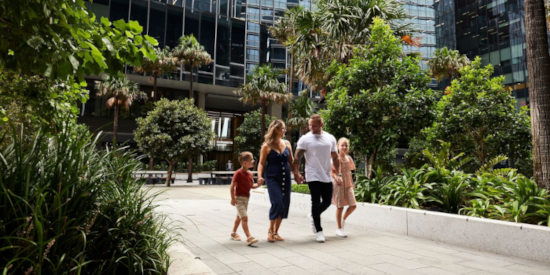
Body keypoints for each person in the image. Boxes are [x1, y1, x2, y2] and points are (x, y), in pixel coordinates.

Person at [293, 114, 342, 243]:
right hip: (312, 174)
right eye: (310, 125)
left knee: (326, 202)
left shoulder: (330, 138)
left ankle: (313, 215)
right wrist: (296, 173)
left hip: (326, 174)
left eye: (314, 125)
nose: (311, 127)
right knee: (315, 201)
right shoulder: (305, 139)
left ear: (321, 124)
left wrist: (339, 174)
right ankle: (319, 231)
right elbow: (297, 157)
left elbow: (335, 157)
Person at [257, 120, 295, 242]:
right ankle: (270, 231)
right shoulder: (266, 146)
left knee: (284, 204)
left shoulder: (287, 143)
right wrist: (259, 176)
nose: (285, 131)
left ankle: (276, 232)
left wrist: (297, 174)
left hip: (286, 177)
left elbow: (292, 161)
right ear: (276, 130)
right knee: (277, 202)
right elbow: (261, 163)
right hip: (272, 177)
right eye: (283, 129)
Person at [230, 152, 261, 246]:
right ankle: (249, 237)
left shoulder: (250, 174)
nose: (253, 161)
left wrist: (259, 184)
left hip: (246, 199)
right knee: (244, 217)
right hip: (238, 198)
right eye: (251, 160)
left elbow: (252, 186)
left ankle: (233, 233)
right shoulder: (238, 173)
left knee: (239, 217)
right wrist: (232, 198)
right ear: (244, 163)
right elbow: (232, 186)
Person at [331, 138, 357, 238]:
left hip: (348, 184)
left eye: (346, 145)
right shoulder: (335, 158)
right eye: (342, 145)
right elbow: (332, 171)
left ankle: (342, 220)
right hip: (339, 185)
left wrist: (352, 183)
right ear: (338, 146)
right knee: (340, 206)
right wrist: (336, 177)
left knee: (353, 205)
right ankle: (339, 229)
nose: (344, 147)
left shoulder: (349, 158)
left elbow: (350, 171)